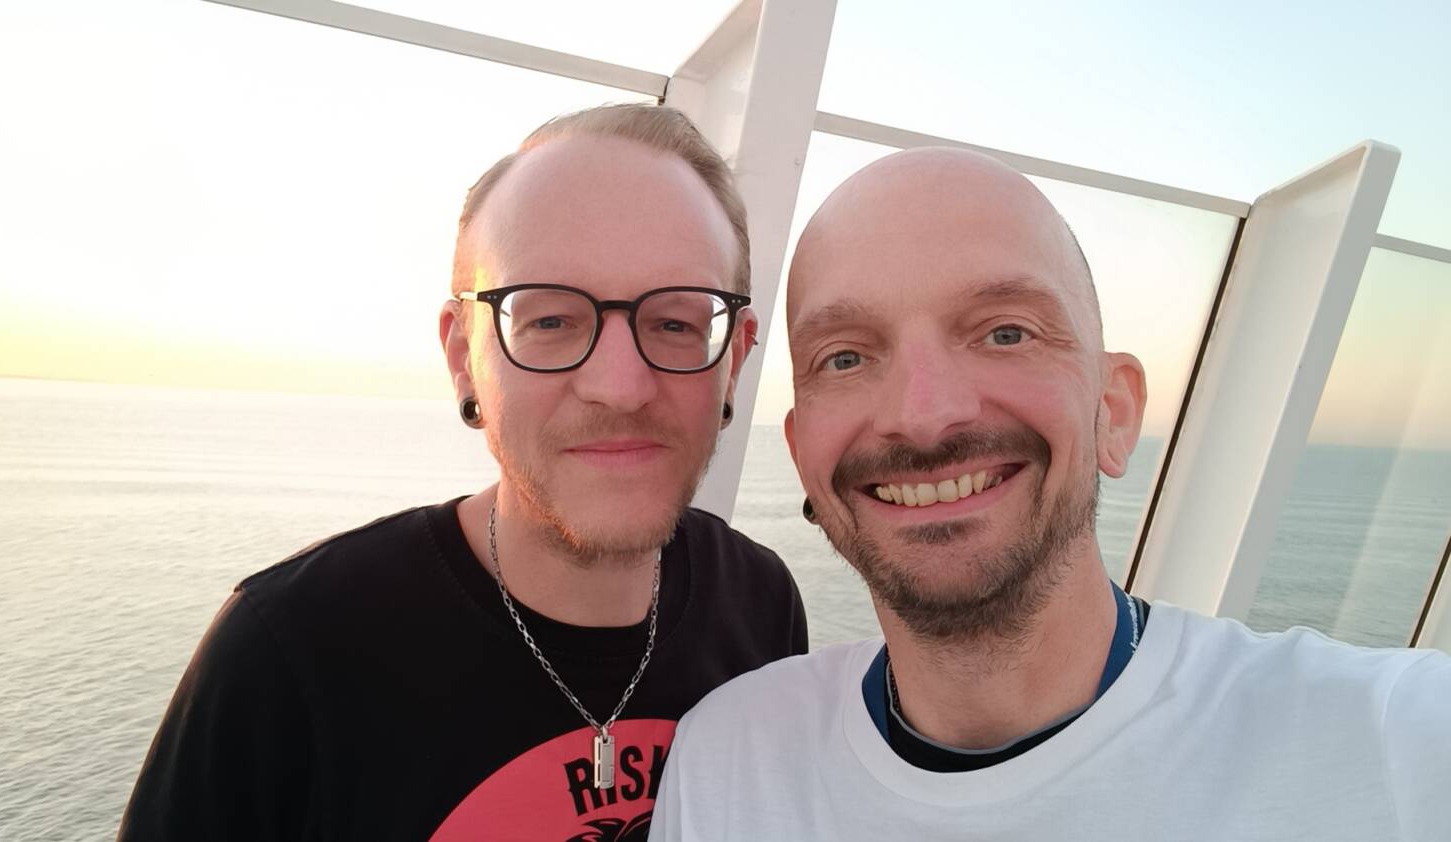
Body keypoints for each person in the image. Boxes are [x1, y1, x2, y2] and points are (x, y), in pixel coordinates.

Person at [651, 148, 1451, 840]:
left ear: (1113, 412)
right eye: (847, 357)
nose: (923, 415)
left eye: (1006, 332)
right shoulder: (730, 760)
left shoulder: (1396, 743)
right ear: (802, 457)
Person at [118, 104, 808, 841]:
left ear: (734, 361)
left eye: (675, 323)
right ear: (463, 358)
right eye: (549, 321)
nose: (620, 386)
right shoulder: (291, 652)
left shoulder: (761, 605)